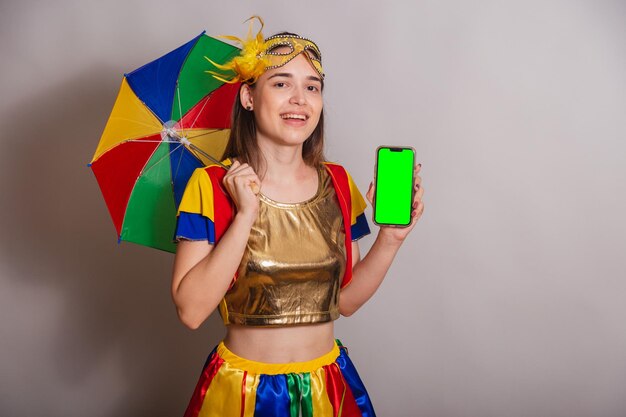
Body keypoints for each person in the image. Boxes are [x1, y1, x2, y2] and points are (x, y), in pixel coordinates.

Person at [171, 17, 424, 417]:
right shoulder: (211, 185)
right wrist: (244, 216)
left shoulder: (338, 183)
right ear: (248, 97)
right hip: (245, 392)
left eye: (312, 87)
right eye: (281, 83)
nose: (299, 99)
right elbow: (191, 311)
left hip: (327, 386)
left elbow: (345, 302)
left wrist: (391, 239)